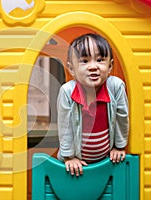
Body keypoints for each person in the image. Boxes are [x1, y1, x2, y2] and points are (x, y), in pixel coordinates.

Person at [57, 33, 129, 176]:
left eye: (100, 60)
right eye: (84, 61)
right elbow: (65, 125)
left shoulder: (115, 87)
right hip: (76, 160)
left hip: (106, 159)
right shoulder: (67, 92)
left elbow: (122, 117)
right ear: (72, 69)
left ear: (110, 66)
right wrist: (69, 157)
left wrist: (119, 147)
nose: (93, 67)